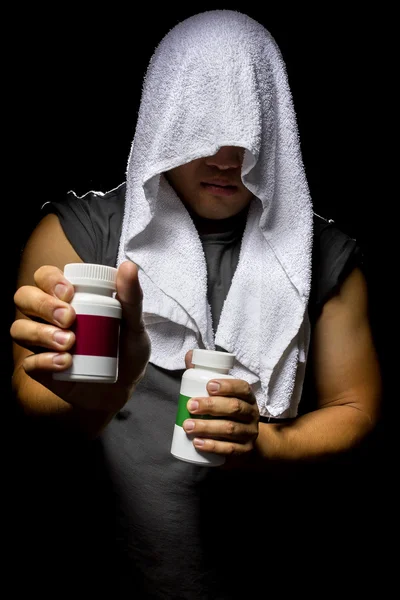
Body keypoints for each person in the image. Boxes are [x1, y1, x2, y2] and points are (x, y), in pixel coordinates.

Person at [10, 9, 382, 599]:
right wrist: (96, 399)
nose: (226, 159)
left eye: (246, 131)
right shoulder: (81, 235)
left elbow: (357, 407)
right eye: (203, 128)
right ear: (167, 119)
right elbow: (26, 415)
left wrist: (267, 444)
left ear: (274, 127)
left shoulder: (326, 255)